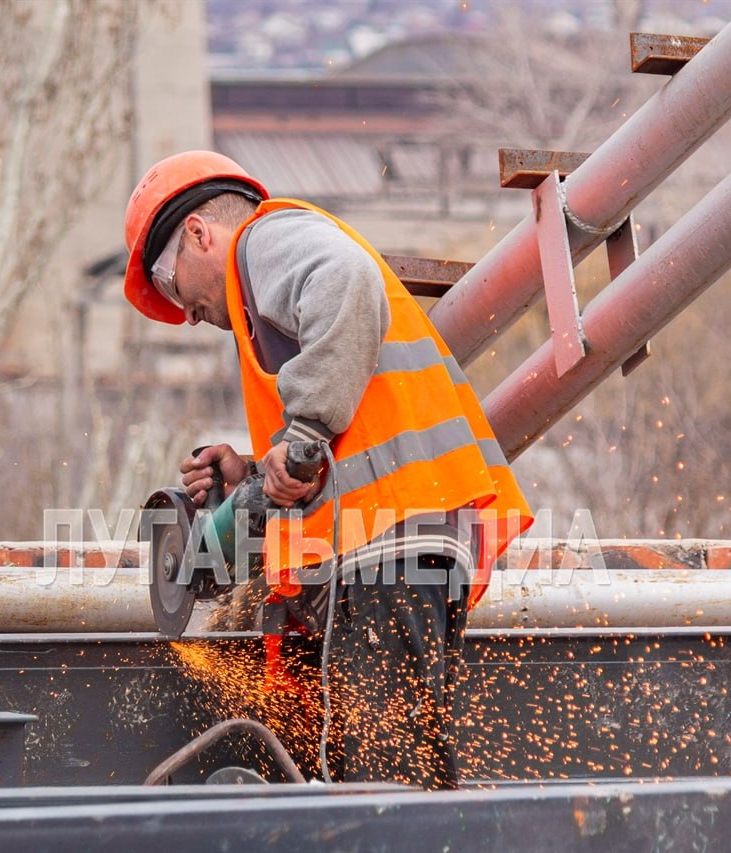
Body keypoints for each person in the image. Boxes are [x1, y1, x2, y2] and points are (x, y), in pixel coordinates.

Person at [122, 150, 532, 789]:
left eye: (172, 285)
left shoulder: (263, 241)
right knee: (395, 767)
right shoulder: (264, 297)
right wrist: (257, 472)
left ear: (200, 234)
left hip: (393, 535)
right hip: (395, 536)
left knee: (383, 773)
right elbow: (348, 427)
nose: (187, 313)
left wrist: (306, 436)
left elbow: (347, 278)